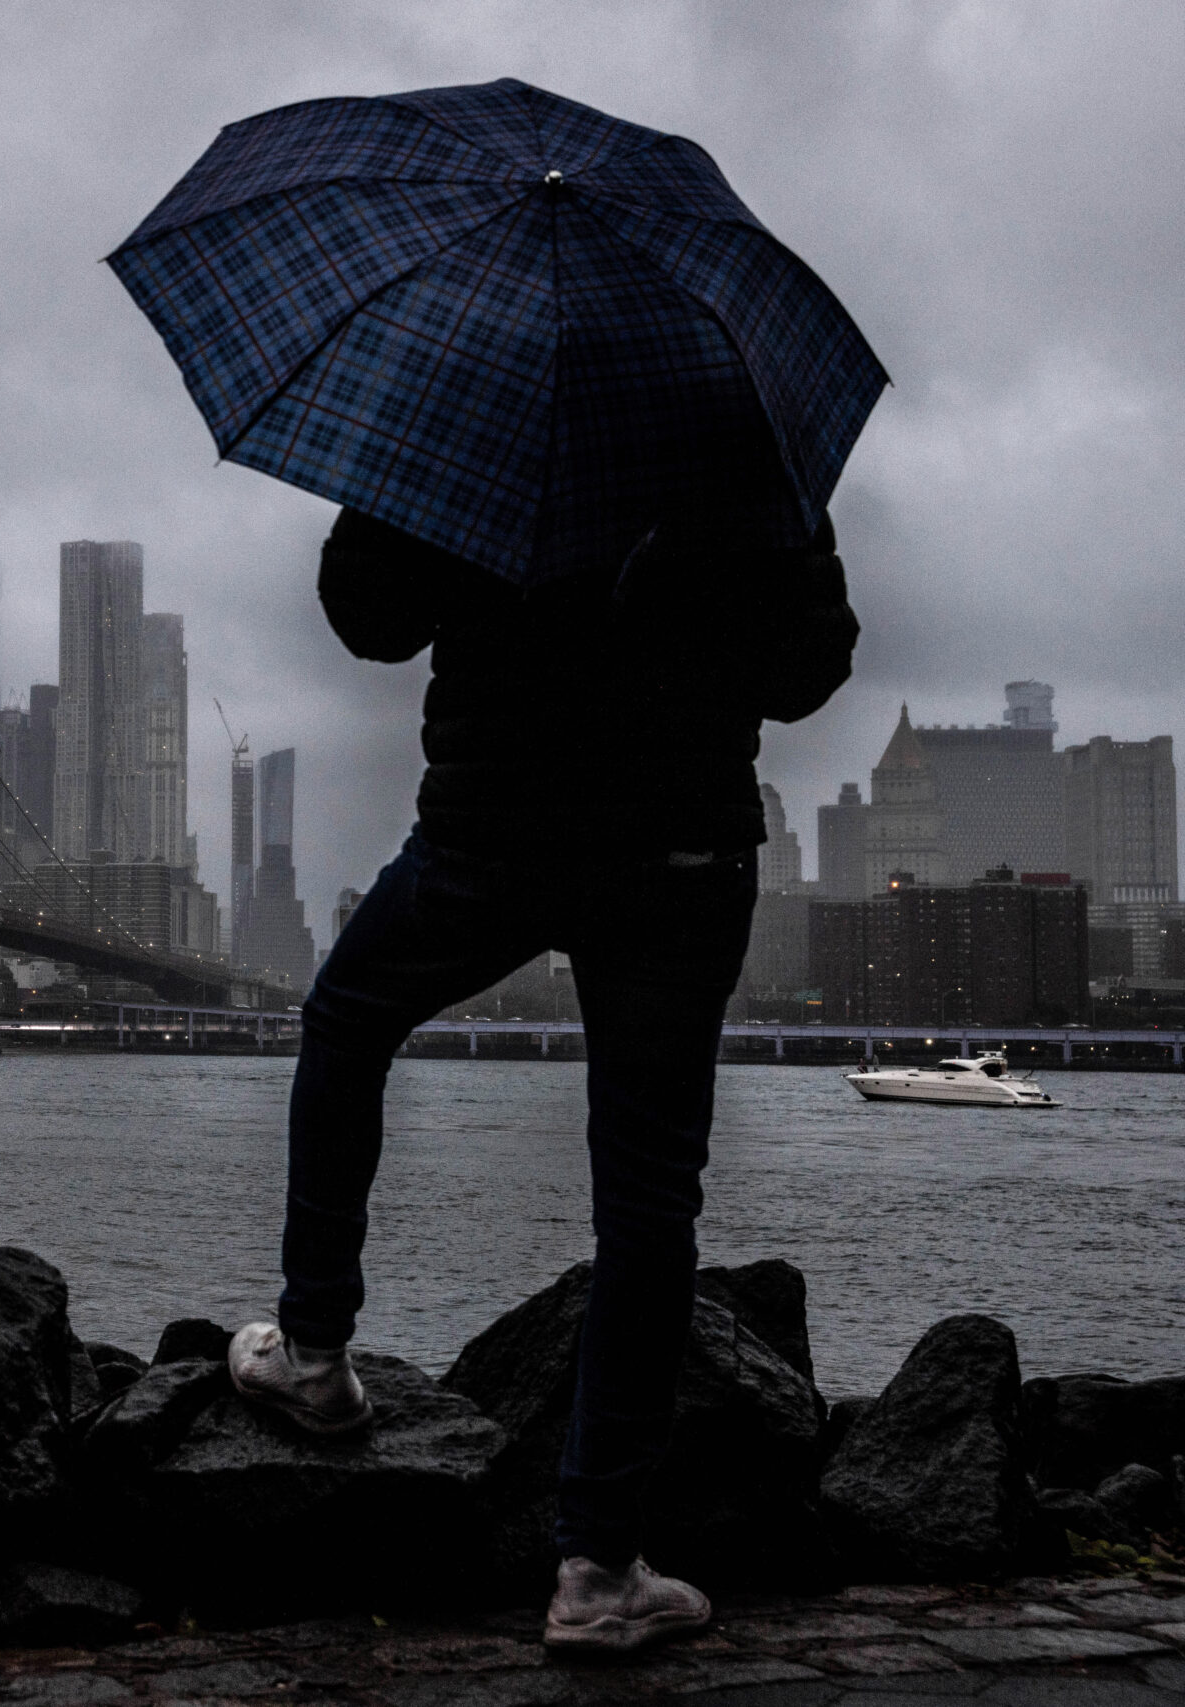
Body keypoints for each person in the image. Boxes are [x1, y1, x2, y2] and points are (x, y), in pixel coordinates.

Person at [227, 507, 857, 1654]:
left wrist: (390, 504)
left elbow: (372, 623)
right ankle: (599, 1571)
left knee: (344, 1019)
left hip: (494, 834)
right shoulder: (741, 436)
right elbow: (804, 672)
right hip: (678, 854)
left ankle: (313, 1353)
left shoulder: (475, 417)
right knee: (650, 1197)